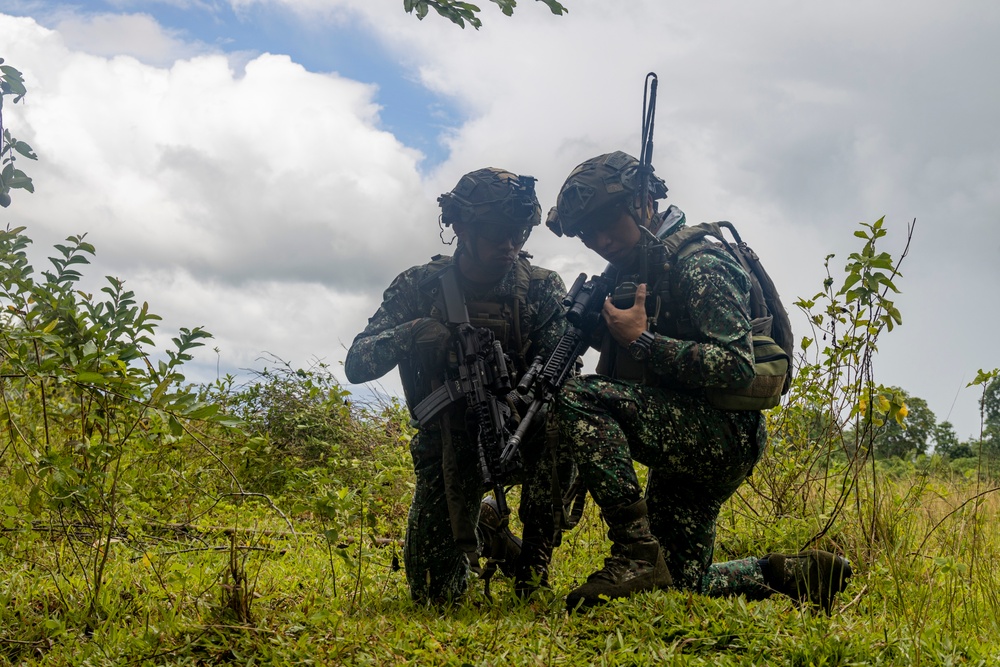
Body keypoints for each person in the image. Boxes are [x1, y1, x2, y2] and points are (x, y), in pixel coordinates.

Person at [546, 151, 852, 612]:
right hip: (685, 428)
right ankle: (786, 572)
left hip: (721, 432)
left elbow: (734, 365)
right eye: (588, 232)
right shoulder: (634, 266)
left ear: (644, 202)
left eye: (609, 220)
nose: (602, 239)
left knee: (576, 397)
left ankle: (634, 551)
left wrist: (643, 341)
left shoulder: (700, 263)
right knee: (677, 585)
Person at [344, 168, 572, 603]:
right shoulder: (419, 286)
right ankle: (489, 530)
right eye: (496, 235)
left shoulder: (539, 289)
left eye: (519, 235)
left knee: (567, 427)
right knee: (434, 594)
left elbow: (563, 371)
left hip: (523, 435)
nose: (509, 247)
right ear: (462, 228)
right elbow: (358, 363)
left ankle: (534, 565)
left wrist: (522, 398)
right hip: (446, 446)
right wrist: (414, 331)